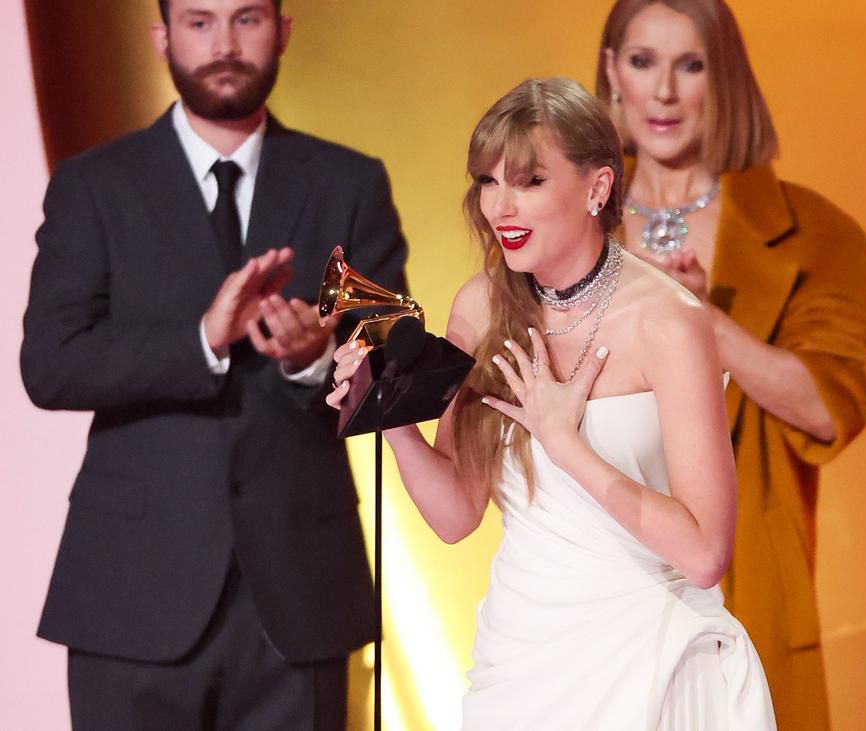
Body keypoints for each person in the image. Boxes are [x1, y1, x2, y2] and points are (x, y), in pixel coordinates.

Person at [328, 77, 775, 730]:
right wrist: (385, 410)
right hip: (524, 667)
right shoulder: (480, 309)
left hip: (653, 660)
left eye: (529, 181)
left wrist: (567, 445)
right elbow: (456, 513)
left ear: (597, 187)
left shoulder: (669, 323)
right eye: (488, 181)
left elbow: (706, 552)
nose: (499, 206)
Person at [20, 0, 407, 727]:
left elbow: (397, 363)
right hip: (128, 600)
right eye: (200, 21)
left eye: (247, 19)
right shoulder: (95, 186)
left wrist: (317, 357)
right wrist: (201, 338)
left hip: (303, 599)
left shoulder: (349, 183)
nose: (224, 43)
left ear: (284, 31)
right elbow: (50, 362)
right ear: (162, 36)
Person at [595, 1, 866, 727]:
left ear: (724, 76)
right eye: (643, 62)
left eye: (690, 64)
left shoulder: (814, 235)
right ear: (612, 72)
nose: (664, 91)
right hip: (594, 592)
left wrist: (705, 327)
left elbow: (829, 406)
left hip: (738, 595)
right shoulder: (569, 219)